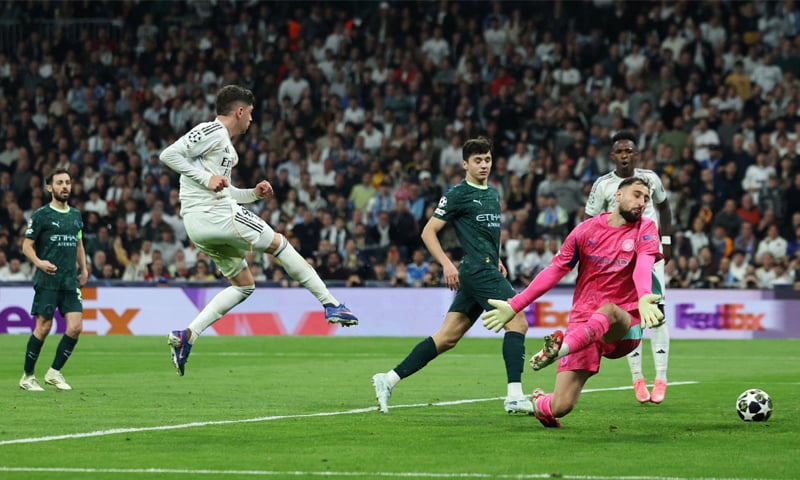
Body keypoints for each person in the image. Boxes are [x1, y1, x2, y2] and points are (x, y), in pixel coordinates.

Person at [159, 85, 358, 376]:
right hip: (213, 216)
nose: (251, 120)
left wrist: (254, 193)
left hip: (201, 223)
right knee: (280, 244)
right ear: (239, 111)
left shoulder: (223, 145)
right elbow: (169, 154)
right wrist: (205, 178)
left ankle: (187, 336)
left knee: (244, 285)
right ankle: (331, 303)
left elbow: (223, 191)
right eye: (250, 113)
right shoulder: (211, 131)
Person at [482, 176, 664, 427]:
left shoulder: (646, 228)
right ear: (618, 195)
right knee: (561, 406)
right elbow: (555, 270)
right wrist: (515, 304)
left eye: (646, 198)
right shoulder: (585, 230)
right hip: (583, 322)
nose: (642, 202)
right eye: (637, 194)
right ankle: (539, 403)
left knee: (609, 311)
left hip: (624, 324)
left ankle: (559, 350)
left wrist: (644, 297)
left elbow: (643, 266)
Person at [371, 137, 533, 414]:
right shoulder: (458, 193)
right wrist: (447, 264)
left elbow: (484, 233)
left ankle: (388, 379)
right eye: (478, 160)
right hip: (475, 269)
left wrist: (498, 258)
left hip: (486, 266)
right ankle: (515, 396)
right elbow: (428, 232)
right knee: (517, 321)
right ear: (465, 164)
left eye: (488, 159)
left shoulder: (493, 194)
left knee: (447, 337)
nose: (484, 165)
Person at [584, 130, 673, 404]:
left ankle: (661, 378)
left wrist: (666, 242)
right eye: (620, 152)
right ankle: (637, 378)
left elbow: (665, 207)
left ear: (636, 155)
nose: (625, 156)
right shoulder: (603, 185)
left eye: (629, 151)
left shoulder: (650, 179)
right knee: (628, 318)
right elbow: (590, 222)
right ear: (613, 156)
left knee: (656, 313)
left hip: (649, 253)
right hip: (618, 259)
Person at [19, 168, 89, 391]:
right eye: (59, 183)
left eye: (67, 182)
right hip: (48, 280)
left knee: (75, 327)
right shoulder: (41, 215)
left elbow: (79, 244)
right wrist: (39, 262)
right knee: (44, 326)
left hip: (69, 281)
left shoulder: (76, 215)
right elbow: (26, 246)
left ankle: (54, 372)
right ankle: (28, 376)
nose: (65, 186)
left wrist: (84, 269)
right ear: (49, 187)